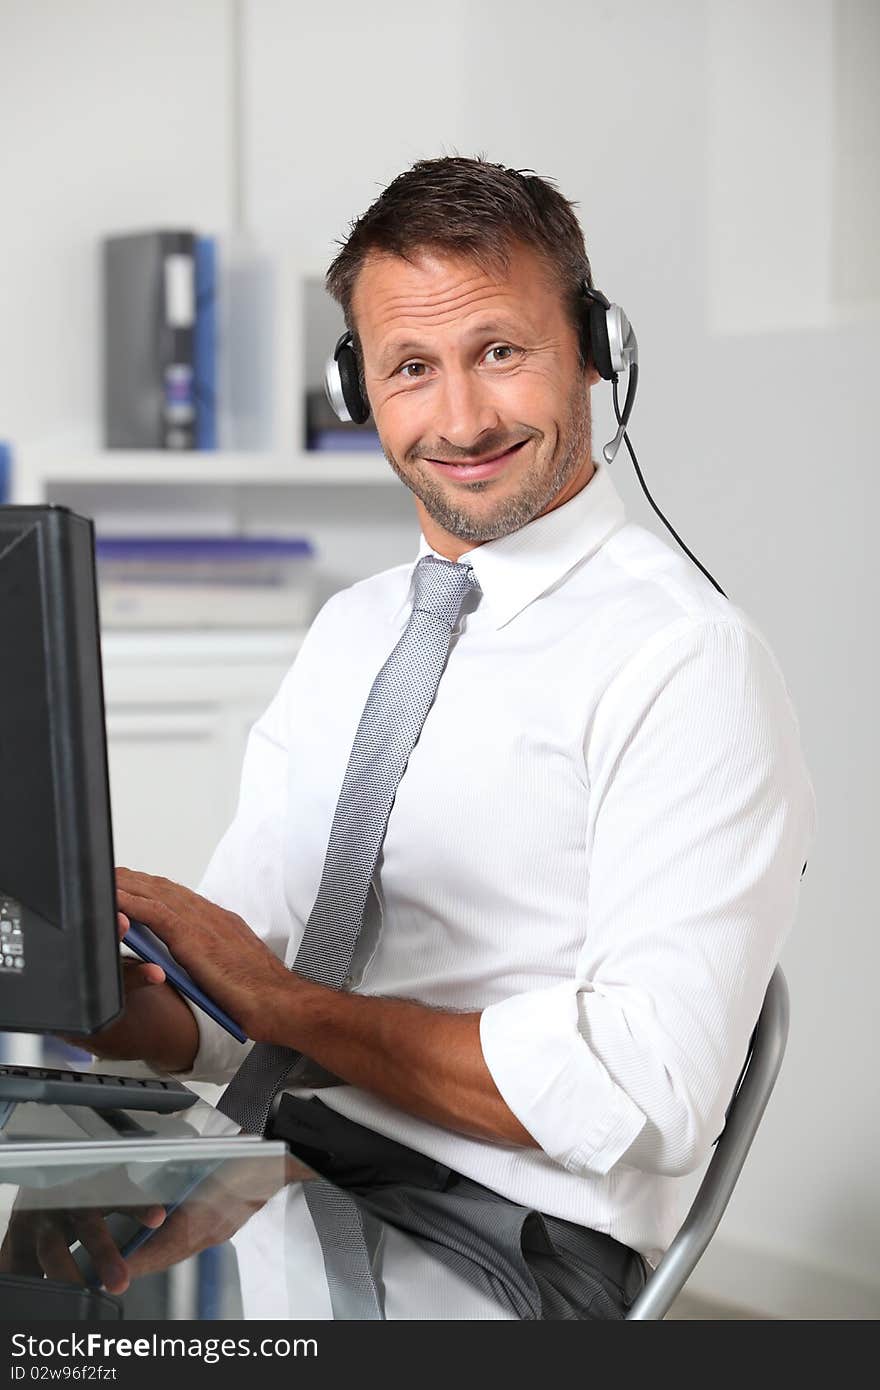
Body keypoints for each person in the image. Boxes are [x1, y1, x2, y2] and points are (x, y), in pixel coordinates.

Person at [86, 156, 817, 1319]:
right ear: (358, 388)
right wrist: (91, 989)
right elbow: (237, 1024)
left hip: (501, 1240)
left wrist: (279, 1005)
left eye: (501, 352)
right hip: (276, 1167)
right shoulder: (349, 631)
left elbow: (649, 1092)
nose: (462, 417)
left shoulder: (682, 657)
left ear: (594, 350)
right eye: (412, 368)